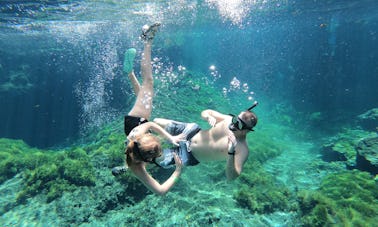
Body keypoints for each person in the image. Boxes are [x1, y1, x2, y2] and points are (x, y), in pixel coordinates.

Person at [112, 23, 185, 195]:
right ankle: (129, 73)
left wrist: (170, 138)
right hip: (131, 135)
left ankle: (147, 40)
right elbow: (160, 191)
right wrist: (176, 171)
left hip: (134, 122)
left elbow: (151, 125)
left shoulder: (138, 134)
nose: (156, 158)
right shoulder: (136, 166)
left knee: (148, 83)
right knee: (143, 96)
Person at [154, 101, 258, 180]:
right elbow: (206, 112)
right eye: (236, 119)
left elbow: (231, 177)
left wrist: (231, 152)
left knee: (154, 158)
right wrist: (207, 117)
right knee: (156, 121)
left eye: (239, 124)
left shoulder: (242, 149)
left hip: (189, 155)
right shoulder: (227, 120)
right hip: (190, 132)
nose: (233, 124)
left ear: (247, 131)